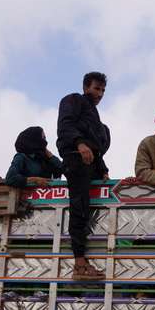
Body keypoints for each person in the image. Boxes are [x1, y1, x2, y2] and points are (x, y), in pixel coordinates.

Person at [56, 72, 110, 281]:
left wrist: (103, 167)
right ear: (86, 87)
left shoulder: (94, 115)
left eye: (103, 90)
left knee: (88, 208)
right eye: (97, 88)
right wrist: (79, 143)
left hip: (90, 161)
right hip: (75, 158)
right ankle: (79, 264)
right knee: (79, 206)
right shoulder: (73, 100)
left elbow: (96, 146)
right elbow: (65, 126)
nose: (100, 93)